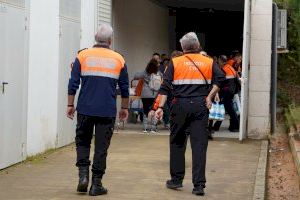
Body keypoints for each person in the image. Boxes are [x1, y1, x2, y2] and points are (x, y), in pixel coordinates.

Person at [154, 32, 226, 196]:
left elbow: (165, 87)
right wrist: (209, 96)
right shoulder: (208, 62)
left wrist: (159, 107)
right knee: (199, 145)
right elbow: (220, 79)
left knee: (177, 142)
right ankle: (199, 185)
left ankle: (176, 180)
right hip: (200, 105)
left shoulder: (175, 62)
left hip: (180, 105)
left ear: (183, 47)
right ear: (198, 46)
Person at [67, 24, 129, 196]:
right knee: (101, 147)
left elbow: (73, 83)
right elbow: (124, 87)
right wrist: (124, 108)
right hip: (106, 110)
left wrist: (70, 105)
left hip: (85, 108)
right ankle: (96, 184)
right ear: (110, 40)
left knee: (83, 142)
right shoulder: (119, 59)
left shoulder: (82, 56)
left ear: (95, 38)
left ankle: (83, 178)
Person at [133, 59, 162, 133]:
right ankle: (153, 128)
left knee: (146, 110)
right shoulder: (159, 73)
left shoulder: (145, 73)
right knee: (155, 110)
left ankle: (145, 128)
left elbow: (135, 76)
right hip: (155, 94)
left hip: (145, 94)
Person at [220, 54, 240, 132]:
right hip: (232, 91)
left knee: (230, 110)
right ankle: (233, 126)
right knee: (231, 109)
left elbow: (221, 82)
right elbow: (236, 79)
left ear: (221, 61)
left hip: (227, 92)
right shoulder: (230, 68)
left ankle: (235, 126)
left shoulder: (224, 69)